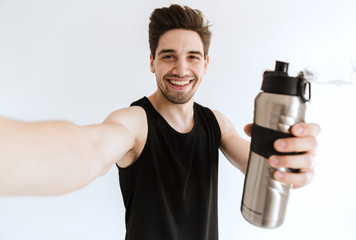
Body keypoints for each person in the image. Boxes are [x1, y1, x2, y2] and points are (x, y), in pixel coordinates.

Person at [0, 4, 320, 239]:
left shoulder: (216, 124)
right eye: (168, 56)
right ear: (151, 62)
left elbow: (262, 169)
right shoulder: (134, 122)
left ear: (205, 64)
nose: (181, 69)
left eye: (192, 57)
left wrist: (290, 160)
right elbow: (89, 151)